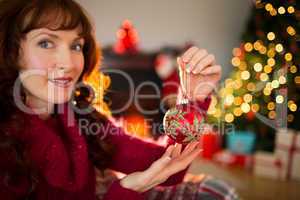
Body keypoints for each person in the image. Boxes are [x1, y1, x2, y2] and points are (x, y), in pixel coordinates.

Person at [0, 0, 229, 199]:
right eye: (46, 43)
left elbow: (170, 167)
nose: (68, 63)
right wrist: (127, 188)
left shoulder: (80, 118)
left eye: (76, 45)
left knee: (216, 191)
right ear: (9, 52)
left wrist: (192, 101)